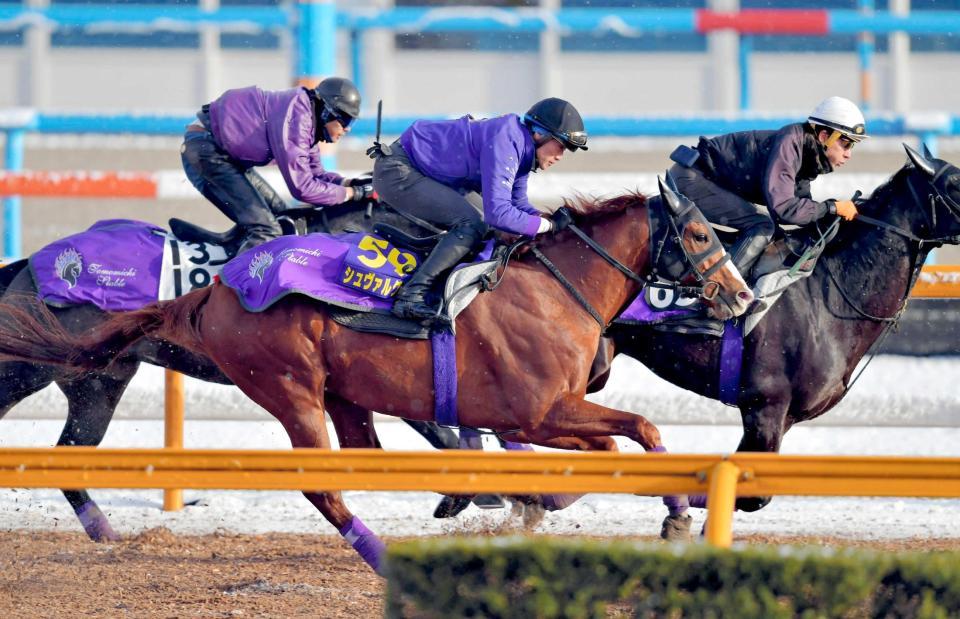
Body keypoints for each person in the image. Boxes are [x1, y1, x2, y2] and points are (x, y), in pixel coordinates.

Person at [371, 97, 587, 324]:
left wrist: (551, 222)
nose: (560, 156)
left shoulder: (522, 146)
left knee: (482, 225)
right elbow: (500, 214)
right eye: (561, 146)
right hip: (398, 170)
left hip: (421, 170)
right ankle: (411, 295)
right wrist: (548, 226)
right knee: (472, 224)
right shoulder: (507, 140)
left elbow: (518, 204)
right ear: (539, 134)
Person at [667, 95, 868, 282]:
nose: (848, 154)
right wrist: (831, 208)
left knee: (774, 233)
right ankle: (719, 292)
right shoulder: (790, 144)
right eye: (846, 144)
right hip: (692, 178)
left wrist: (836, 216)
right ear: (824, 136)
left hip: (702, 177)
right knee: (762, 226)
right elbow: (784, 209)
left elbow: (801, 210)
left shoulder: (807, 155)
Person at [181, 77, 373, 254]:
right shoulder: (297, 119)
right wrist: (353, 194)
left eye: (352, 122)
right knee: (266, 230)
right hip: (207, 151)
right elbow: (303, 189)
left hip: (216, 151)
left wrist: (351, 183)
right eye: (345, 120)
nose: (347, 128)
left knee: (285, 219)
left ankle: (232, 259)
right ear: (326, 112)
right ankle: (231, 289)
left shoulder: (308, 118)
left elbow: (317, 175)